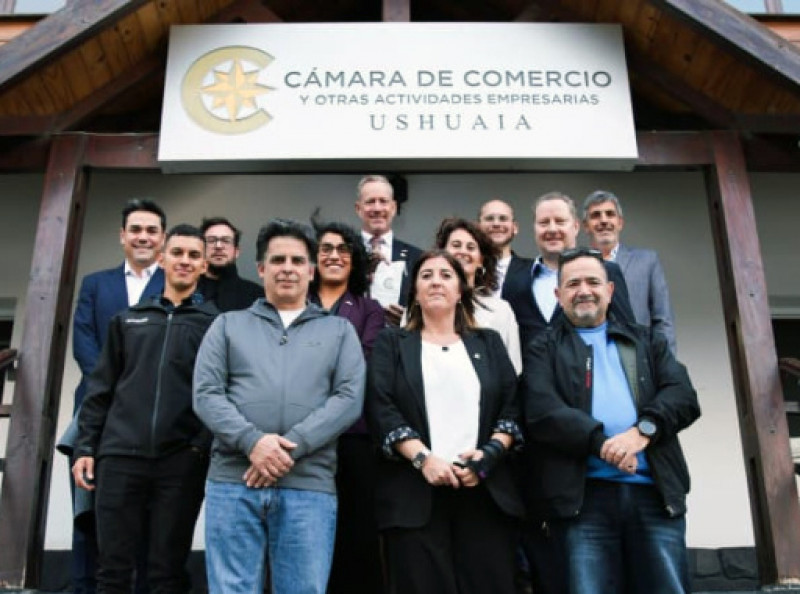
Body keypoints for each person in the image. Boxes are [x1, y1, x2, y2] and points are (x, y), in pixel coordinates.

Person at [193, 219, 366, 594]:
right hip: (233, 481)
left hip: (308, 484)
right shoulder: (226, 325)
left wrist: (288, 449)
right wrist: (252, 442)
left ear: (311, 270)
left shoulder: (339, 331)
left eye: (297, 260)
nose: (288, 268)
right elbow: (206, 394)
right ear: (261, 268)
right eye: (278, 260)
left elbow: (349, 398)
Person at [521, 247, 700, 594]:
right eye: (573, 284)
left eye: (592, 281)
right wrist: (602, 444)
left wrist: (642, 432)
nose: (584, 290)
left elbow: (682, 395)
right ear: (558, 294)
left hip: (654, 494)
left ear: (610, 289)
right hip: (582, 500)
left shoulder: (646, 340)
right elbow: (542, 411)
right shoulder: (542, 349)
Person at [366, 250, 525, 594]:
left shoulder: (489, 341)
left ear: (460, 291)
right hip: (414, 497)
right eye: (426, 276)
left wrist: (489, 455)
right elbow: (381, 407)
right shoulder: (392, 343)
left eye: (446, 275)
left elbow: (512, 407)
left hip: (484, 494)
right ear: (414, 293)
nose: (436, 281)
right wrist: (424, 459)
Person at [72, 224, 218, 593]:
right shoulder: (127, 319)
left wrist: (198, 447)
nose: (185, 260)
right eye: (177, 252)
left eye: (194, 255)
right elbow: (101, 389)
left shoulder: (216, 326)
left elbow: (220, 393)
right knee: (113, 569)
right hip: (119, 457)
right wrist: (86, 447)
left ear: (204, 265)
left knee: (166, 571)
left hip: (180, 462)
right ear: (162, 258)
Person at [69, 198, 167, 594]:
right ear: (122, 236)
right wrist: (113, 387)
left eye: (151, 230)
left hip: (152, 415)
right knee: (88, 509)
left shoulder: (176, 284)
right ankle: (83, 586)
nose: (143, 237)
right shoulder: (95, 284)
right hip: (96, 411)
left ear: (163, 238)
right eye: (136, 229)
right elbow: (83, 342)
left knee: (149, 516)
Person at [309, 220, 385, 594]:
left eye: (343, 249)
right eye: (326, 248)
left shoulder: (370, 309)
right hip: (300, 437)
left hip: (353, 436)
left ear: (354, 261)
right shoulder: (293, 303)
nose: (334, 256)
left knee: (356, 534)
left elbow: (362, 364)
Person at [502, 191, 635, 349]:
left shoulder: (606, 270)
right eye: (544, 223)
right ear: (535, 228)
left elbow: (626, 332)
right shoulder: (515, 277)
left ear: (576, 227)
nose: (552, 229)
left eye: (560, 221)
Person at [582, 190, 677, 353]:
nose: (603, 220)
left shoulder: (647, 261)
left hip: (638, 356)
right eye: (596, 215)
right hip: (591, 355)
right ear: (585, 226)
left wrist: (667, 363)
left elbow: (663, 321)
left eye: (610, 214)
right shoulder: (576, 266)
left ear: (620, 223)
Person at [434, 217, 522, 374]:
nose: (463, 251)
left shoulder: (501, 310)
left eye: (471, 247)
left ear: (481, 260)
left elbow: (513, 369)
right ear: (441, 254)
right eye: (456, 245)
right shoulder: (422, 305)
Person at [355, 174, 422, 326]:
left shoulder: (417, 257)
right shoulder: (345, 254)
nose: (377, 208)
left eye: (383, 201)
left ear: (393, 208)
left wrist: (407, 319)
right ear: (358, 209)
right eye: (370, 202)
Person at [197, 216, 263, 312]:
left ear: (236, 251)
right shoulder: (186, 292)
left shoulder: (257, 297)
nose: (218, 246)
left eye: (226, 241)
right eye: (211, 240)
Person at [476, 199, 532, 296]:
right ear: (478, 227)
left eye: (503, 219)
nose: (496, 224)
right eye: (489, 218)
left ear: (515, 228)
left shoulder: (532, 271)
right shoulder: (466, 268)